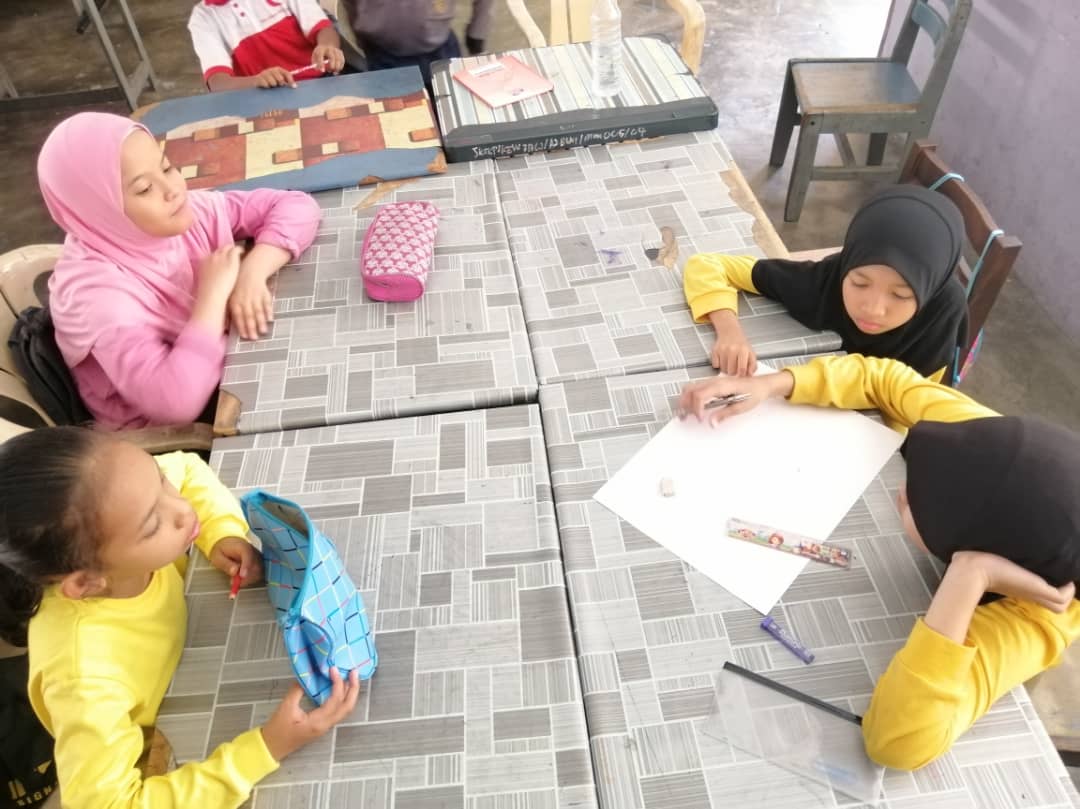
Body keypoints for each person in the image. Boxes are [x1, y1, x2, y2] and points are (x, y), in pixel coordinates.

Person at [677, 354, 1080, 770]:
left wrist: (970, 575)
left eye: (920, 505)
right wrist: (771, 384)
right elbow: (886, 379)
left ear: (982, 546)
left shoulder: (1041, 617)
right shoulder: (989, 446)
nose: (901, 494)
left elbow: (898, 743)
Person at [0, 427, 361, 809]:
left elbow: (187, 469)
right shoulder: (82, 681)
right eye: (153, 525)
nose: (182, 510)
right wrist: (266, 747)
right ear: (86, 582)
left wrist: (221, 533)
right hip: (171, 739)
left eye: (160, 481)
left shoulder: (121, 497)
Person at [37, 112, 321, 429]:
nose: (172, 189)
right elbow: (175, 404)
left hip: (227, 371)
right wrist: (212, 300)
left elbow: (297, 206)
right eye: (145, 189)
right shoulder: (102, 301)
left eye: (167, 167)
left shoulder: (178, 215)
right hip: (174, 438)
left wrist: (251, 274)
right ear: (100, 211)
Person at [683, 186, 970, 384]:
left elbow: (912, 406)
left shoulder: (941, 316)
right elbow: (706, 265)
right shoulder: (826, 280)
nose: (873, 308)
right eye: (860, 283)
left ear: (930, 289)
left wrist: (788, 384)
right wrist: (730, 332)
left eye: (900, 294)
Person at [188, 0, 346, 91]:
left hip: (320, 83)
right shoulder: (203, 18)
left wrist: (328, 46)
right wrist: (256, 81)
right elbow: (218, 83)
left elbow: (324, 29)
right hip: (263, 98)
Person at [349, 0, 493, 85]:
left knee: (448, 114)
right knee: (397, 118)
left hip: (439, 50)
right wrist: (359, 25)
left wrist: (477, 32)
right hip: (383, 54)